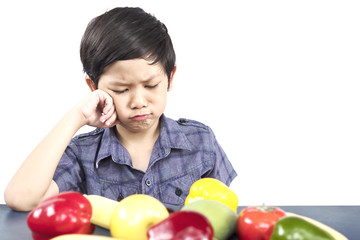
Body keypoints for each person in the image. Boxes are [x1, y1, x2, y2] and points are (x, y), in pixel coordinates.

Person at [4, 7, 237, 211]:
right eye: (121, 89)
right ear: (94, 87)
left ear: (170, 77)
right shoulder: (84, 154)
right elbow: (21, 199)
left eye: (151, 85)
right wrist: (77, 116)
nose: (138, 101)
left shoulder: (200, 141)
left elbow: (223, 215)